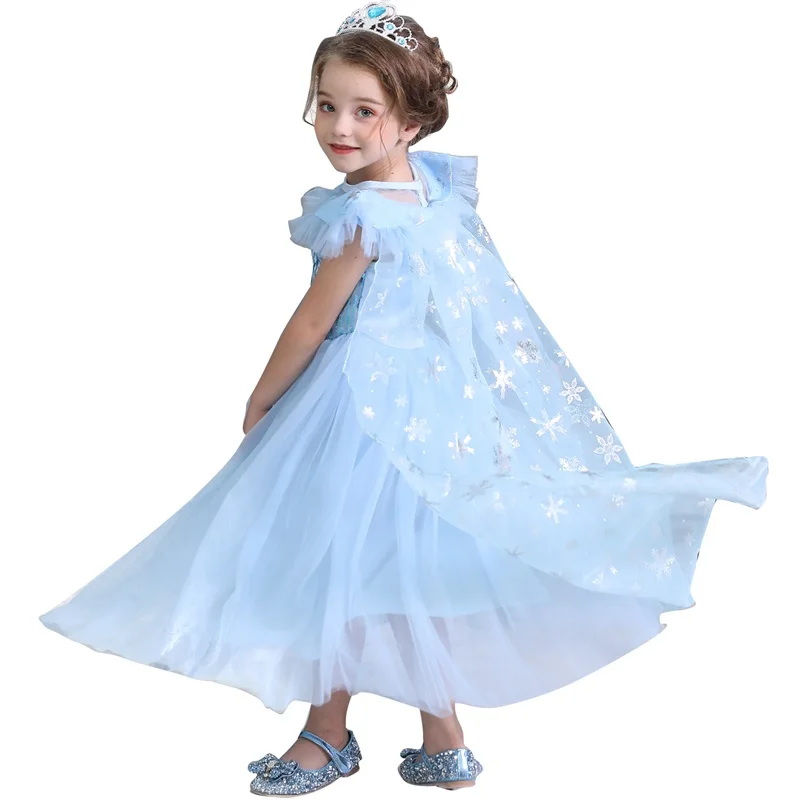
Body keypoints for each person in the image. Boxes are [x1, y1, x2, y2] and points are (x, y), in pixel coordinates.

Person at [38, 3, 770, 796]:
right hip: (432, 412)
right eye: (327, 105)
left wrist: (261, 398)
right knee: (405, 568)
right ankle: (441, 737)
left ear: (412, 121)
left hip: (358, 409)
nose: (338, 127)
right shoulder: (432, 191)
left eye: (364, 112)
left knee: (337, 564)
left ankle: (328, 735)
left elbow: (314, 322)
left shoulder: (364, 217)